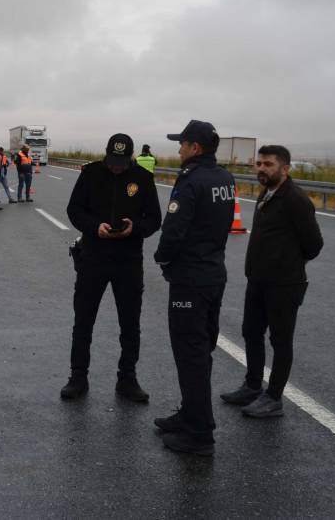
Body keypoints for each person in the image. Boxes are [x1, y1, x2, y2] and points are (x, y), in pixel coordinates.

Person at [152, 120, 236, 456]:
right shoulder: (224, 178)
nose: (179, 149)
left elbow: (174, 229)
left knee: (191, 354)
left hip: (190, 279)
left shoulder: (191, 180)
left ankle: (200, 433)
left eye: (182, 143)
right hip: (214, 273)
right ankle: (190, 413)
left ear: (195, 148)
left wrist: (162, 259)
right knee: (201, 351)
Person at [220, 145, 323, 417]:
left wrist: (285, 262)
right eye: (259, 164)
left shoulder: (295, 200)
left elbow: (314, 245)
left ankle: (274, 398)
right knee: (251, 332)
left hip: (284, 284)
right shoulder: (267, 193)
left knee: (280, 340)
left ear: (285, 169)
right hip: (258, 280)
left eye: (268, 164)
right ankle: (253, 386)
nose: (262, 169)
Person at [62, 134, 161, 403]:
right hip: (93, 257)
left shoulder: (142, 177)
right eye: (112, 161)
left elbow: (154, 219)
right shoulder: (91, 173)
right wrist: (95, 226)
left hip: (128, 261)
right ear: (106, 155)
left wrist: (135, 228)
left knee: (130, 324)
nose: (116, 167)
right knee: (83, 321)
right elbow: (74, 210)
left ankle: (127, 379)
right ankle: (78, 377)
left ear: (130, 158)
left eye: (121, 162)